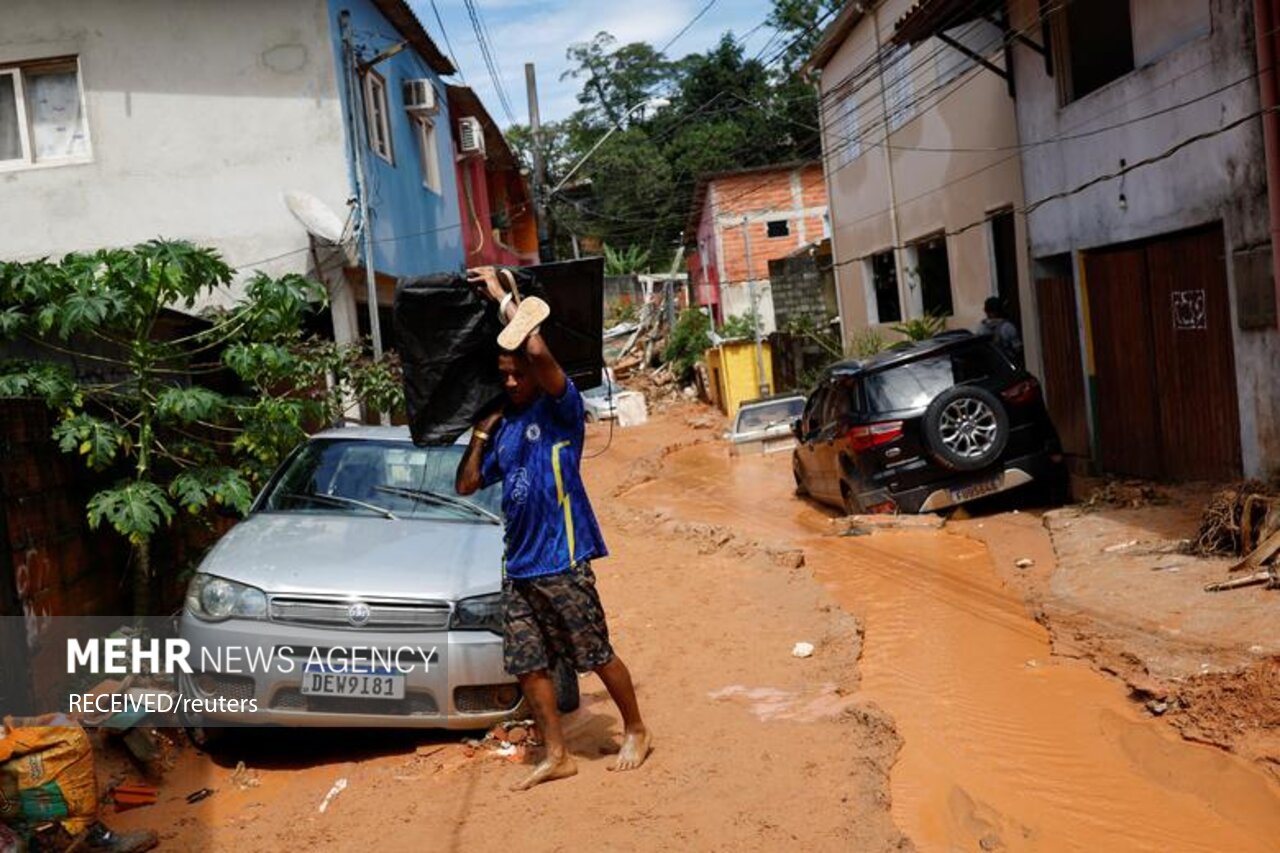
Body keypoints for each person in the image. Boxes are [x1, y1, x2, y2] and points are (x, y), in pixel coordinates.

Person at [455, 266, 651, 791]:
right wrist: (480, 432)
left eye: (518, 374)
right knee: (529, 664)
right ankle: (556, 753)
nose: (513, 381)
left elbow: (539, 354)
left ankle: (635, 728)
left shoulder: (563, 410)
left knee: (595, 653)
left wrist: (502, 297)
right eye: (505, 376)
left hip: (563, 558)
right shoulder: (506, 428)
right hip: (518, 567)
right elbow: (467, 485)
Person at [977, 296, 1024, 366]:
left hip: (990, 368)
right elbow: (1018, 349)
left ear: (986, 311)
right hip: (1007, 366)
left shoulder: (981, 328)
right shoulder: (1008, 327)